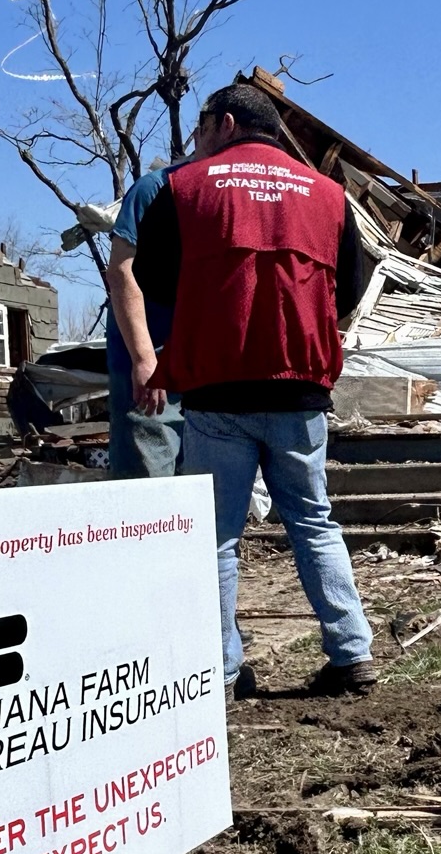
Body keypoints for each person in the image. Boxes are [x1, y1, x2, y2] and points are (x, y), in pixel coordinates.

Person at [131, 79, 377, 696]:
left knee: (216, 537)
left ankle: (220, 671)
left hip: (218, 388)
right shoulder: (328, 196)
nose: (196, 144)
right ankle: (351, 653)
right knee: (314, 520)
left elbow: (153, 278)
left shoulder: (182, 188)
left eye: (201, 128)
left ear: (229, 121)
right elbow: (347, 291)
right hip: (298, 388)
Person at [104, 163, 183, 478]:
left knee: (196, 485)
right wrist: (144, 357)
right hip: (152, 351)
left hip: (192, 358)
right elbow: (120, 271)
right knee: (147, 473)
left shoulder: (221, 191)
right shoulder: (153, 188)